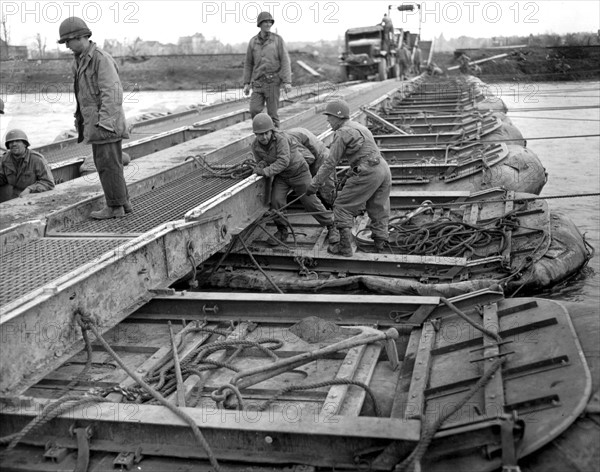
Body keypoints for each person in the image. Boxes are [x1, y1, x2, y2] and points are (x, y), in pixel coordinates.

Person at [58, 16, 131, 219]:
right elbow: (83, 96)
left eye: (68, 42)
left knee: (107, 166)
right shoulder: (82, 60)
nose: (67, 47)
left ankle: (115, 208)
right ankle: (123, 204)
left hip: (105, 124)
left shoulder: (100, 59)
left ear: (80, 37)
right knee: (109, 164)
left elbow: (113, 93)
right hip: (97, 124)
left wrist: (105, 124)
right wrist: (80, 120)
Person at [307, 100, 391, 257]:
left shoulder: (342, 132)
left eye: (329, 117)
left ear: (338, 117)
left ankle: (345, 247)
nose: (327, 120)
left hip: (368, 171)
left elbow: (330, 162)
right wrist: (349, 174)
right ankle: (381, 242)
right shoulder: (360, 127)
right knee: (378, 206)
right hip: (383, 168)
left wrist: (315, 183)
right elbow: (365, 154)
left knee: (342, 206)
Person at [250, 113, 336, 246]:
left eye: (266, 133)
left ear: (271, 131)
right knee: (276, 202)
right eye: (260, 134)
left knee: (310, 202)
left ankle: (331, 225)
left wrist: (265, 171)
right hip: (282, 177)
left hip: (299, 172)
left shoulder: (280, 139)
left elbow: (283, 161)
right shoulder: (255, 146)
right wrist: (260, 165)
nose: (264, 137)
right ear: (255, 135)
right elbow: (261, 161)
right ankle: (282, 231)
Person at [243, 11, 292, 129]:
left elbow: (285, 60)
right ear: (260, 24)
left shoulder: (277, 40)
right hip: (258, 83)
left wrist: (287, 82)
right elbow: (248, 63)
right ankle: (263, 135)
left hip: (272, 82)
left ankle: (276, 139)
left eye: (270, 22)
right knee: (254, 110)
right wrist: (246, 83)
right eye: (266, 22)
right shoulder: (253, 42)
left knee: (273, 114)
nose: (268, 24)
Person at [286, 127, 337, 208]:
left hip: (321, 161)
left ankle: (339, 212)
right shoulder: (288, 133)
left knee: (328, 192)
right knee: (331, 188)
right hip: (325, 154)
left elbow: (309, 158)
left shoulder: (288, 142)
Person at [0, 129, 55, 200]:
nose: (14, 144)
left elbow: (49, 182)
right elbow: (2, 178)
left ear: (25, 144)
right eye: (11, 142)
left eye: (17, 141)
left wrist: (30, 189)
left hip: (35, 196)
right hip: (15, 197)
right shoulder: (5, 159)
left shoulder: (37, 159)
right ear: (8, 146)